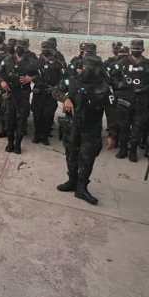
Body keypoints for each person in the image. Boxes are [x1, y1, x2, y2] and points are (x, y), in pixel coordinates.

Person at [55, 54, 112, 205]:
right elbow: (55, 90)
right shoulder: (72, 80)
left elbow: (111, 111)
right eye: (85, 67)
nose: (85, 70)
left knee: (87, 158)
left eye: (89, 68)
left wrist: (112, 133)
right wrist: (65, 99)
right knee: (71, 154)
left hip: (91, 128)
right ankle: (72, 181)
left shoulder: (104, 87)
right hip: (73, 125)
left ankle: (81, 188)